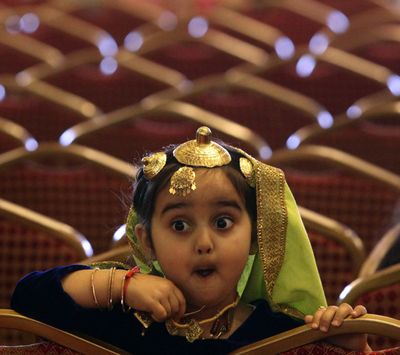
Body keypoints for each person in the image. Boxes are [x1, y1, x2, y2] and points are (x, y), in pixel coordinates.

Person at [11, 127, 371, 354]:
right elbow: (28, 298)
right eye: (180, 225)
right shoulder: (129, 318)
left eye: (223, 222)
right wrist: (121, 285)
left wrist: (350, 345)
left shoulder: (281, 333)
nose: (203, 242)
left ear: (255, 237)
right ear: (147, 241)